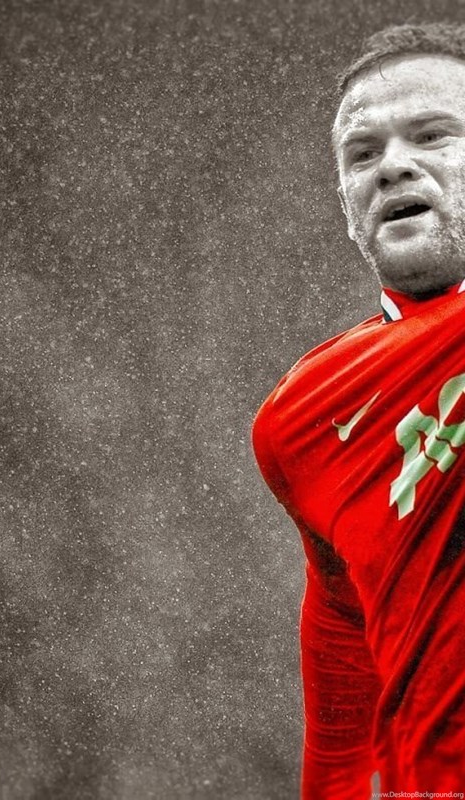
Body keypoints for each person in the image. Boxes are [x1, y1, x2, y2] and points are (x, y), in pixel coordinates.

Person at [252, 23, 465, 800]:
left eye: (434, 134)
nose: (393, 165)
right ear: (345, 201)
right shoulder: (303, 417)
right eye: (362, 153)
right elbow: (343, 658)